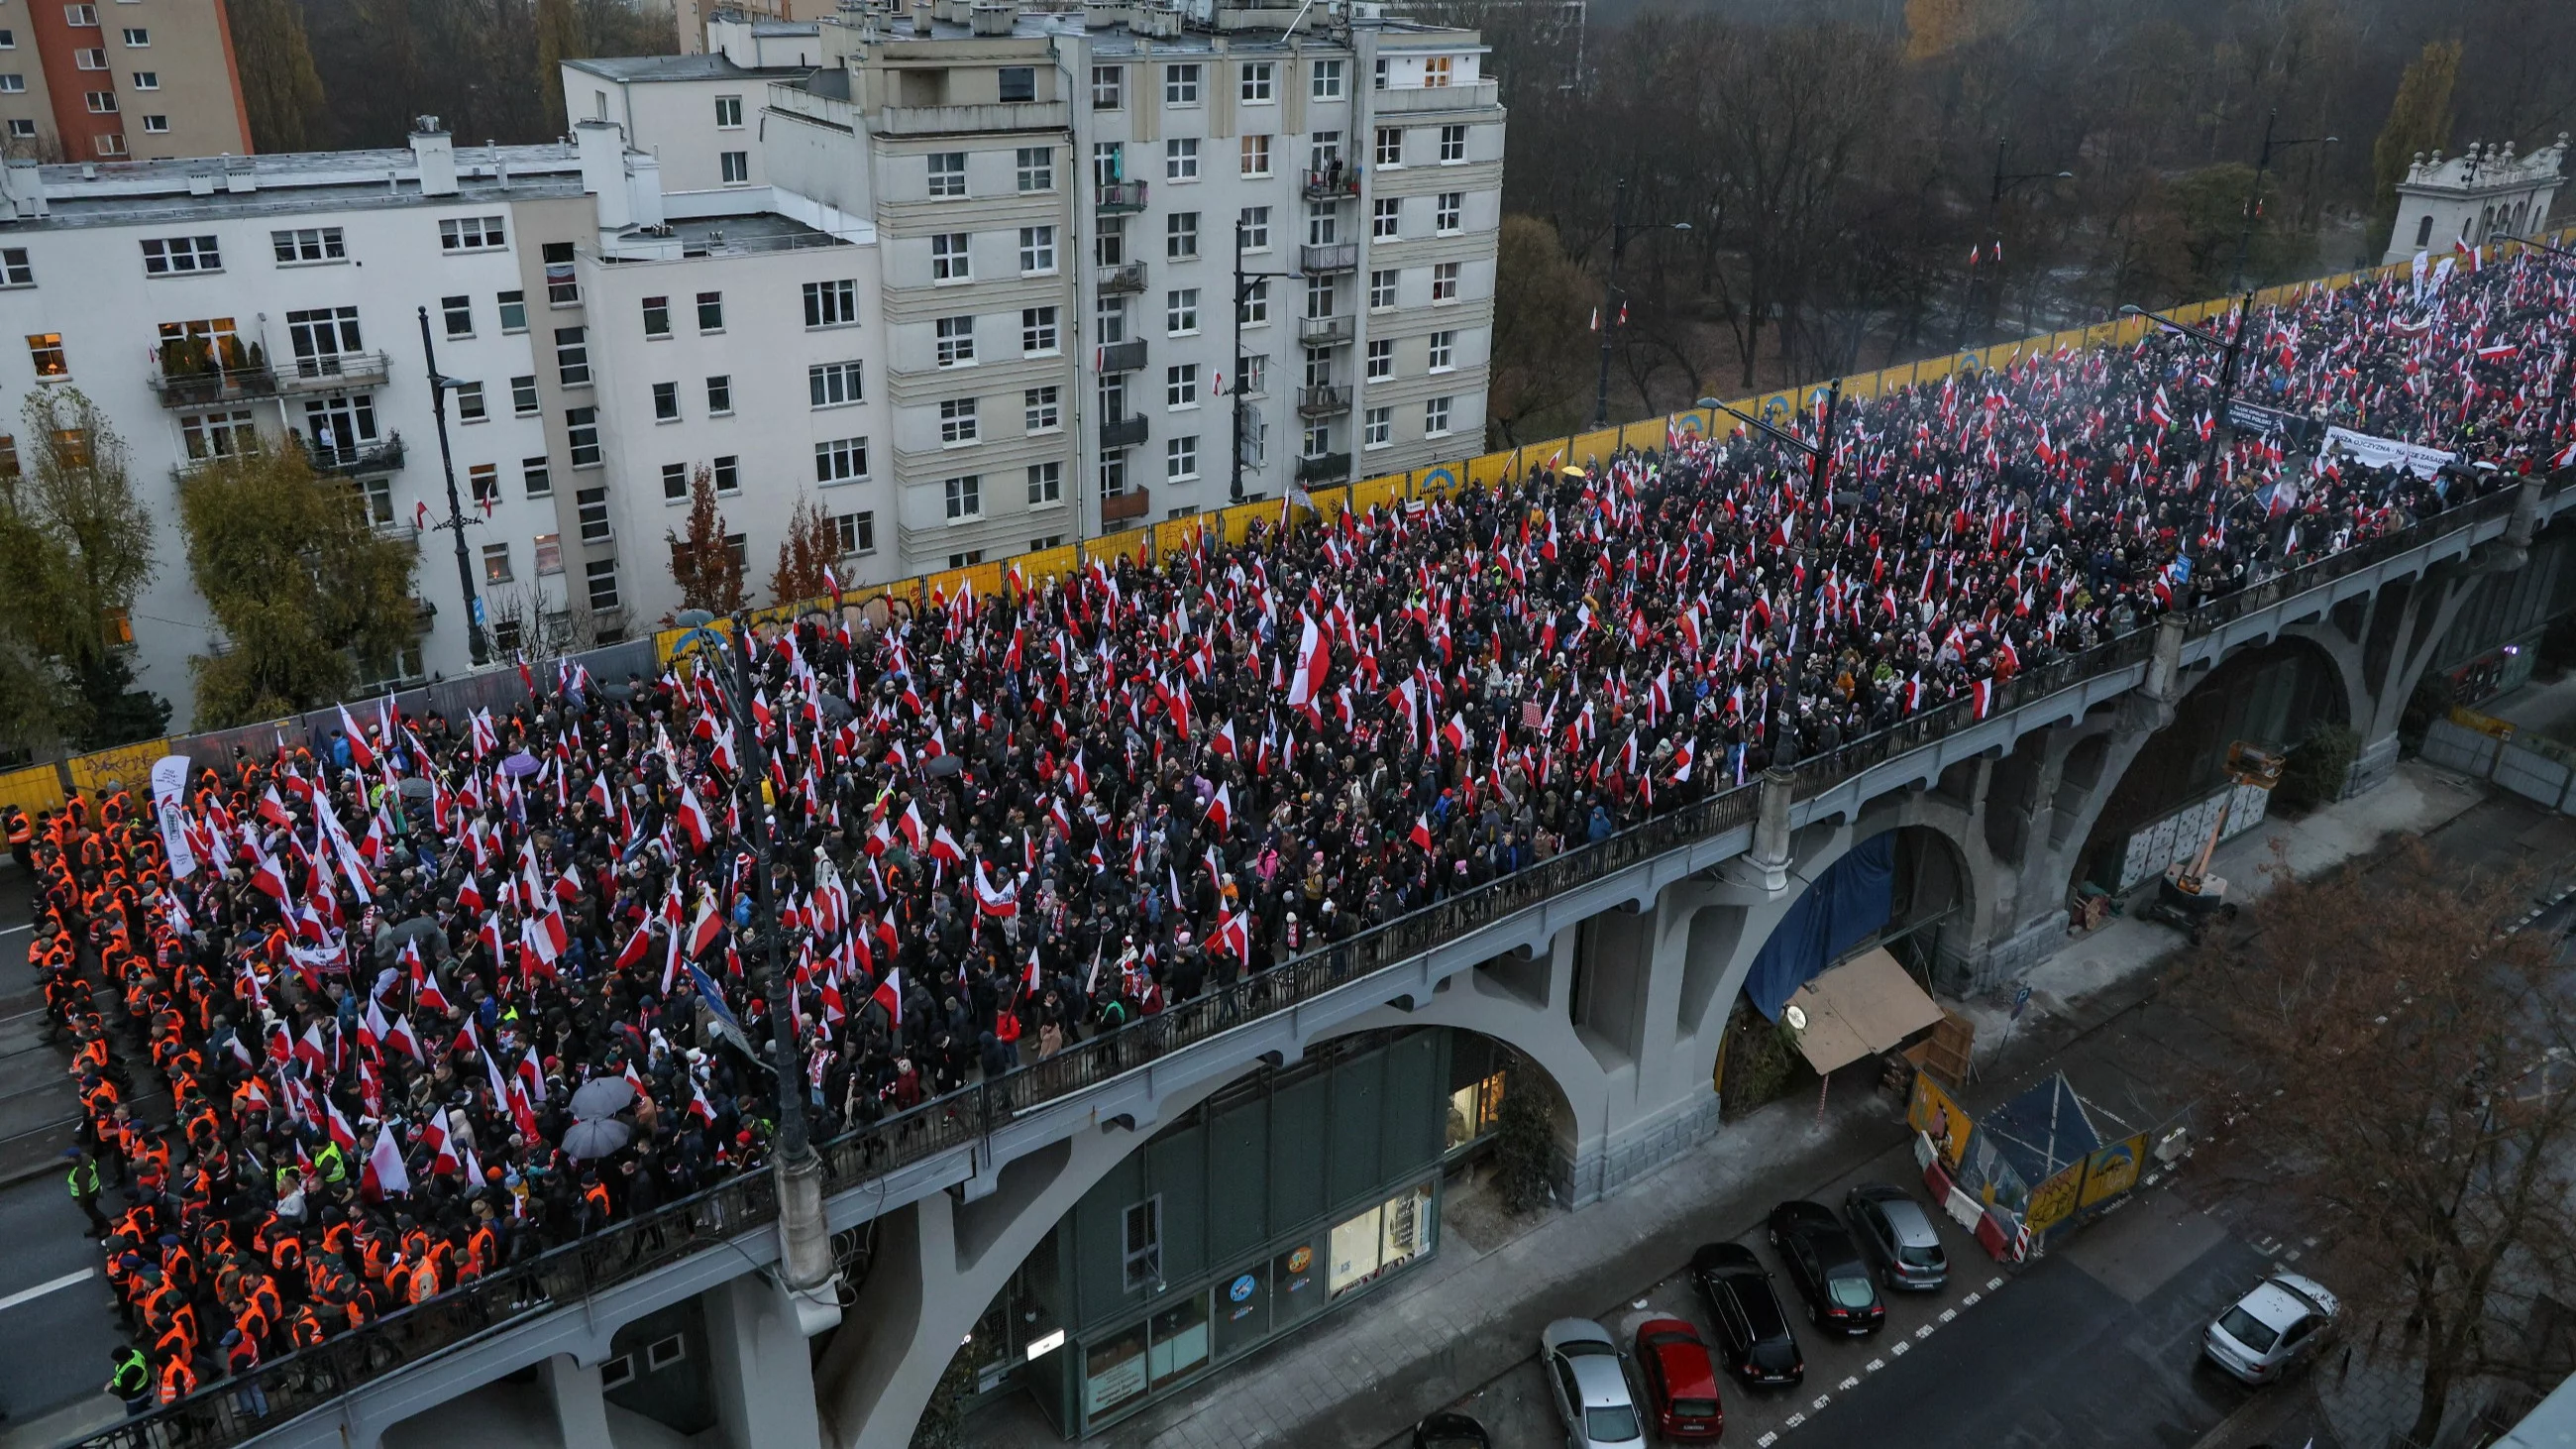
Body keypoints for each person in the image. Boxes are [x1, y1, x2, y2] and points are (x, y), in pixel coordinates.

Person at [64, 1147, 107, 1238]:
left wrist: (80, 1201)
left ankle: (105, 1226)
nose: (66, 1159)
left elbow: (83, 1189)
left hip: (89, 1195)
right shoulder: (87, 1159)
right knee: (91, 1209)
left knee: (91, 1211)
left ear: (74, 1158)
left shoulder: (81, 1172)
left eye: (68, 1158)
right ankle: (98, 1226)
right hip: (94, 1190)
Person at [104, 1343, 151, 1415]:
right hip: (147, 1386)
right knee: (142, 1409)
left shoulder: (130, 1371)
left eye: (117, 1361)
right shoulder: (136, 1353)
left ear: (125, 1359)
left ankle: (160, 1415)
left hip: (137, 1396)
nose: (116, 1362)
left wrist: (110, 1389)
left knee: (134, 1418)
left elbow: (124, 1392)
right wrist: (114, 1380)